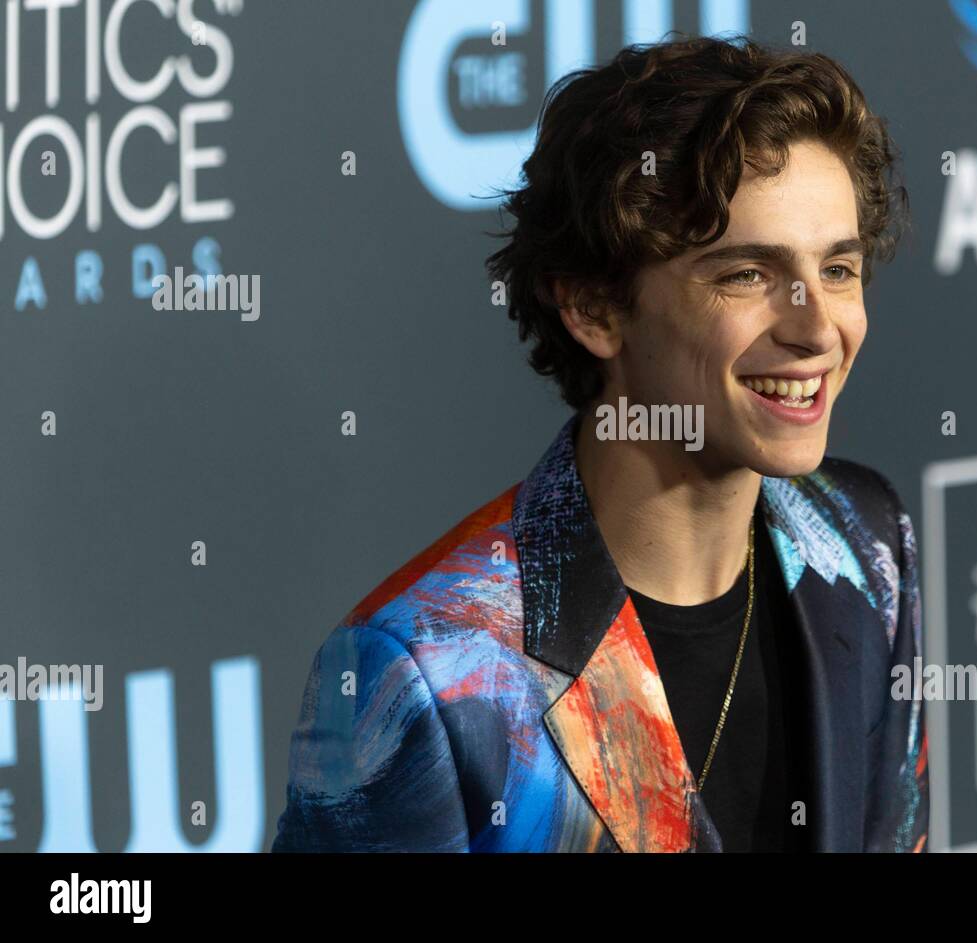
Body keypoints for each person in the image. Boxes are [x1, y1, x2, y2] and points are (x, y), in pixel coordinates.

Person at [271, 35, 927, 853]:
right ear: (594, 308)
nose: (815, 328)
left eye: (838, 269)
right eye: (746, 274)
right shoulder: (423, 672)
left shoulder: (863, 546)